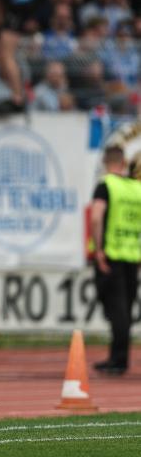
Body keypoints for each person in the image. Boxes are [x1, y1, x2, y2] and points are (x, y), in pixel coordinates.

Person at [89, 145, 141, 376]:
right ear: (123, 162)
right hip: (133, 256)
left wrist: (98, 249)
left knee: (114, 309)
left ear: (106, 163)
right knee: (125, 310)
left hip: (111, 255)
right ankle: (117, 357)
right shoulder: (135, 188)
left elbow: (97, 217)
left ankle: (118, 360)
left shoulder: (106, 185)